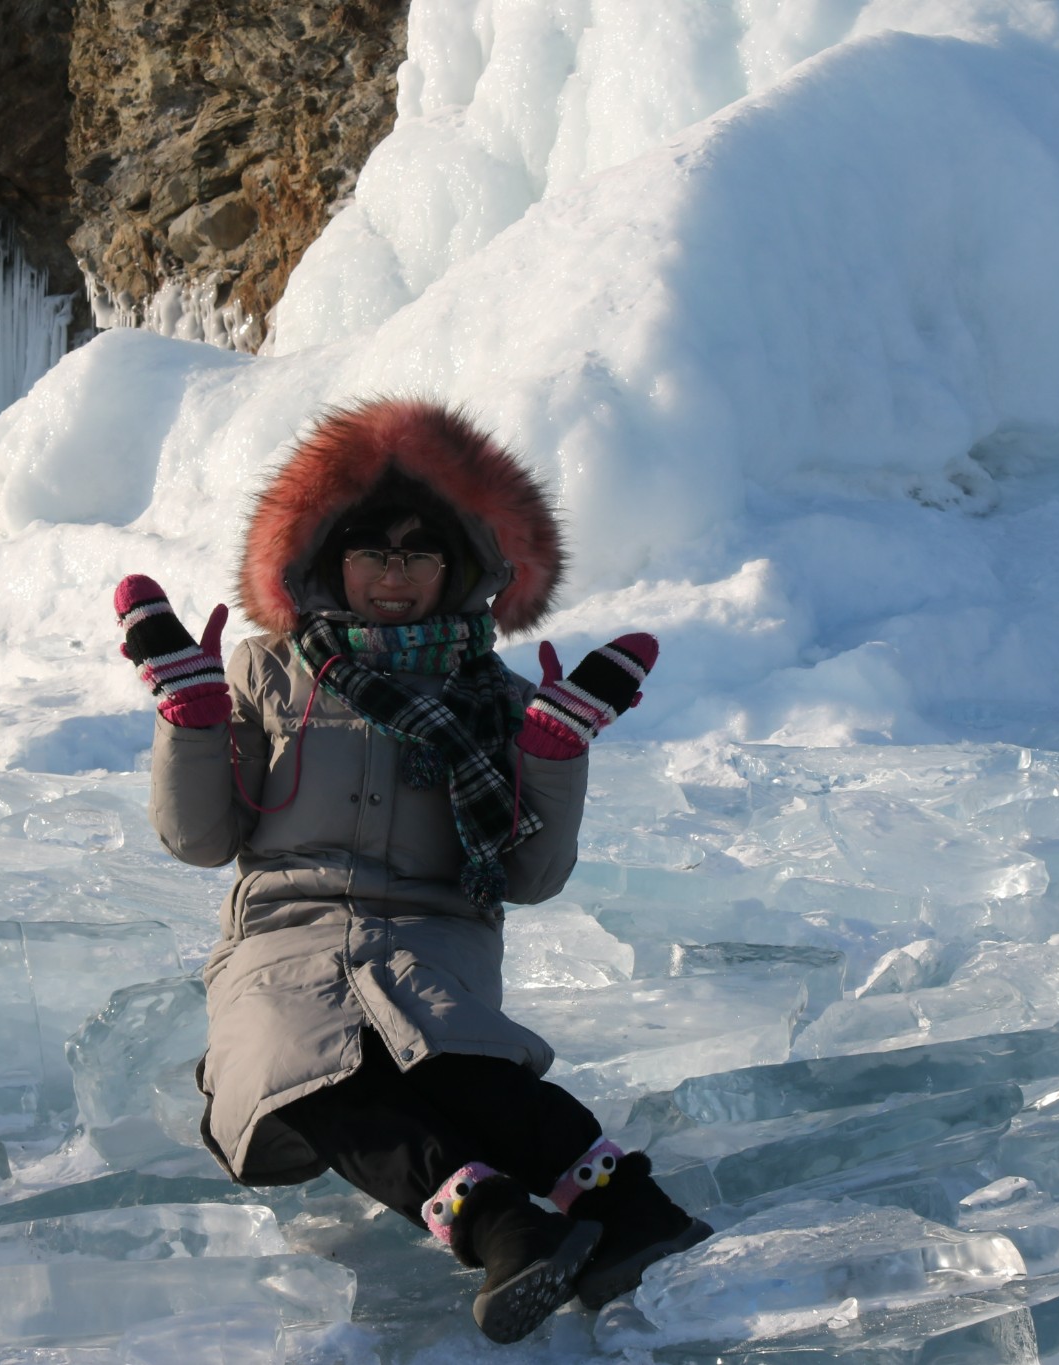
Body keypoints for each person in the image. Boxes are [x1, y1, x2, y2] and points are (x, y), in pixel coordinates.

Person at [111, 398, 708, 1344]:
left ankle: (631, 1211)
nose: (394, 572)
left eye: (419, 552)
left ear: (458, 567)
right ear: (327, 563)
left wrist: (553, 751)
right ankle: (505, 1226)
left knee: (459, 1067)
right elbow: (201, 838)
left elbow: (530, 874)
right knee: (309, 1076)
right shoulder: (266, 672)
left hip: (437, 924)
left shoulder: (500, 697)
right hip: (284, 930)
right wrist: (190, 722)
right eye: (372, 550)